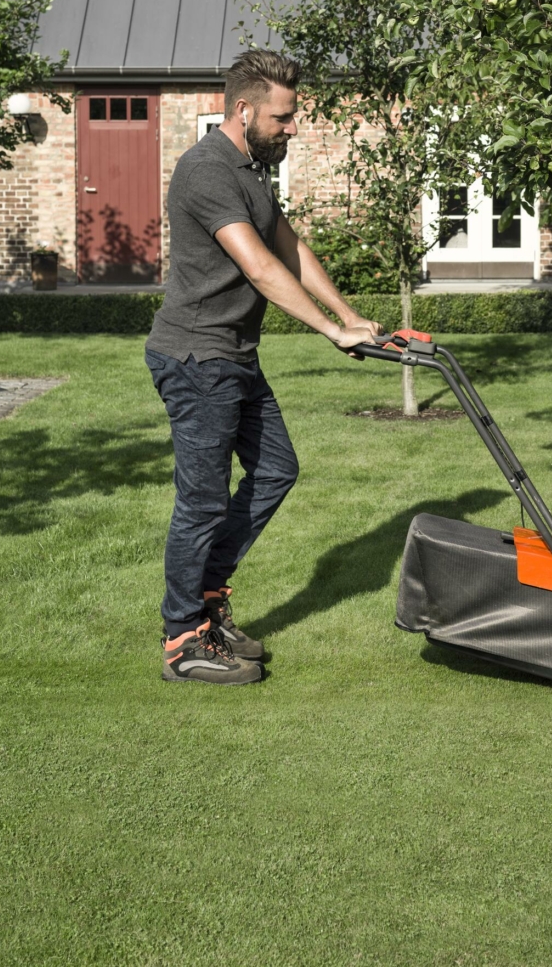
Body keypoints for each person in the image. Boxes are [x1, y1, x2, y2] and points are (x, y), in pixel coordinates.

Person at [144, 49, 382, 685]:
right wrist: (329, 331)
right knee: (202, 502)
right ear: (244, 110)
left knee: (277, 469)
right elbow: (258, 265)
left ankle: (207, 600)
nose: (293, 128)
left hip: (234, 356)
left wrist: (349, 315)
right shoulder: (205, 170)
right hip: (197, 357)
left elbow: (288, 247)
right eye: (283, 118)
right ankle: (182, 639)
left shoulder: (251, 170)